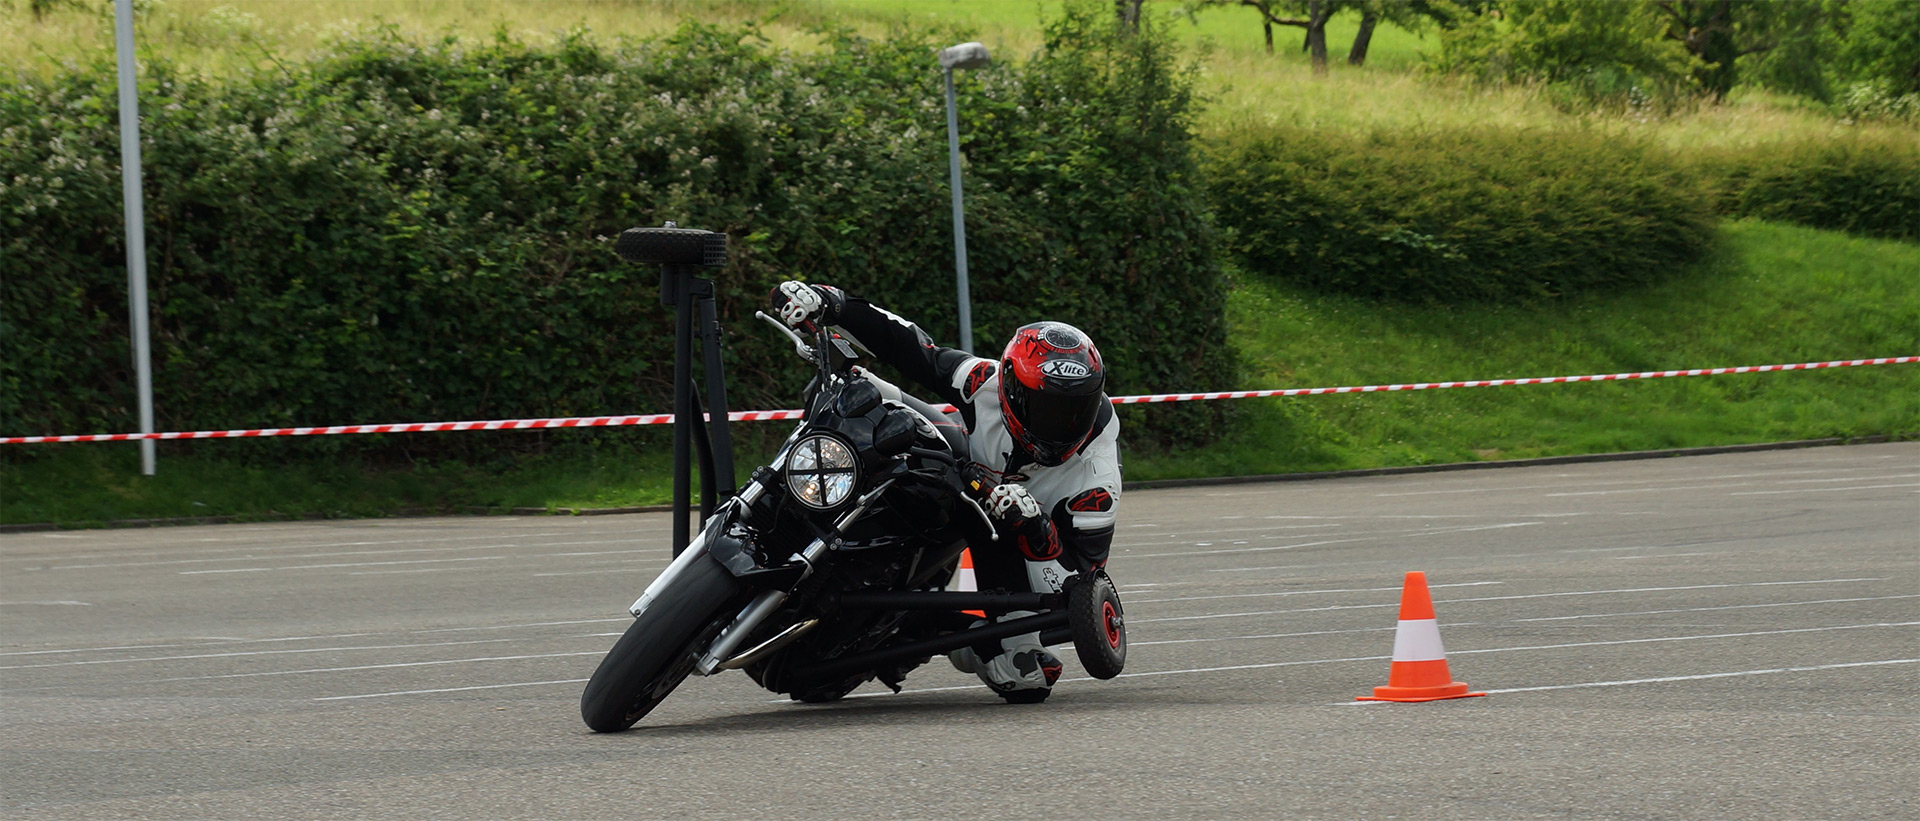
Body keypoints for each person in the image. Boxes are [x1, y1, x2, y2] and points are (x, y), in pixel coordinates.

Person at [769, 281, 1121, 703]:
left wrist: (1035, 527)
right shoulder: (984, 382)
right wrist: (835, 303)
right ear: (1010, 388)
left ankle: (923, 628)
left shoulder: (1096, 480)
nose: (1060, 426)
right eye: (1046, 409)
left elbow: (1077, 583)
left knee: (1026, 676)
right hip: (953, 474)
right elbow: (911, 346)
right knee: (860, 386)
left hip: (1007, 542)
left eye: (1075, 411)